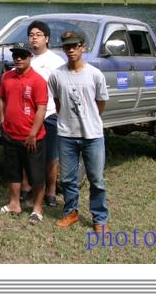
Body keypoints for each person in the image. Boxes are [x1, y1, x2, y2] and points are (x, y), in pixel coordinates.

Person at [49, 30, 110, 234]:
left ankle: (100, 218)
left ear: (83, 47)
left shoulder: (95, 74)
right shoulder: (56, 75)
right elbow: (57, 102)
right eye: (67, 46)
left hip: (92, 135)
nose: (71, 50)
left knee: (96, 179)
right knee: (67, 179)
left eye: (75, 46)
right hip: (66, 134)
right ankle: (71, 212)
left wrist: (89, 118)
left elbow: (100, 103)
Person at [0, 42, 48, 225]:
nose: (18, 59)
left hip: (31, 138)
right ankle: (14, 204)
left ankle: (37, 209)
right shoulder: (7, 77)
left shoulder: (38, 80)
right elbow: (2, 99)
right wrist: (3, 119)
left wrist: (33, 133)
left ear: (30, 57)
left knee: (36, 175)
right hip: (10, 134)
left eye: (23, 55)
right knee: (13, 172)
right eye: (15, 56)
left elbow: (41, 108)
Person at [26, 20, 66, 207]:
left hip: (50, 113)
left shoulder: (56, 62)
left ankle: (51, 190)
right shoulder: (26, 59)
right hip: (28, 115)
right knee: (29, 152)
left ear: (47, 38)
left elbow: (62, 90)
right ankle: (28, 186)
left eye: (38, 35)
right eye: (31, 35)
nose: (34, 38)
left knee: (51, 156)